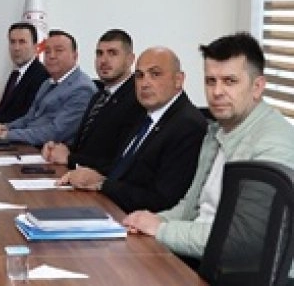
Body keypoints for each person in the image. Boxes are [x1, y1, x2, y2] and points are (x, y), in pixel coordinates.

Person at [123, 32, 294, 265]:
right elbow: (191, 207)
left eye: (230, 81)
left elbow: (242, 240)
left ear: (257, 87)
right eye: (211, 81)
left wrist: (161, 230)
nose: (217, 92)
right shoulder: (215, 131)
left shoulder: (273, 144)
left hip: (239, 272)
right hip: (204, 259)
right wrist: (149, 221)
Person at [57, 47, 206, 213]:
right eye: (139, 75)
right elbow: (122, 167)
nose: (144, 83)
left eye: (155, 74)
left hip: (136, 220)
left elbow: (163, 200)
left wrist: (102, 184)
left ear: (178, 80)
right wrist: (87, 174)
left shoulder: (187, 125)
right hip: (109, 206)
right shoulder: (145, 114)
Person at [43, 29, 145, 172]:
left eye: (112, 53)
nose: (104, 60)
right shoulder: (99, 95)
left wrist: (70, 158)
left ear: (130, 59)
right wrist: (58, 149)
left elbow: (119, 161)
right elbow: (87, 147)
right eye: (99, 53)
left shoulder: (137, 99)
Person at [0, 30, 96, 146]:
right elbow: (29, 118)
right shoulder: (47, 83)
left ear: (75, 56)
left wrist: (9, 135)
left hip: (49, 151)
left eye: (58, 50)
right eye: (47, 51)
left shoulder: (82, 89)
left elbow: (56, 132)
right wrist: (5, 127)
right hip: (29, 144)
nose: (51, 56)